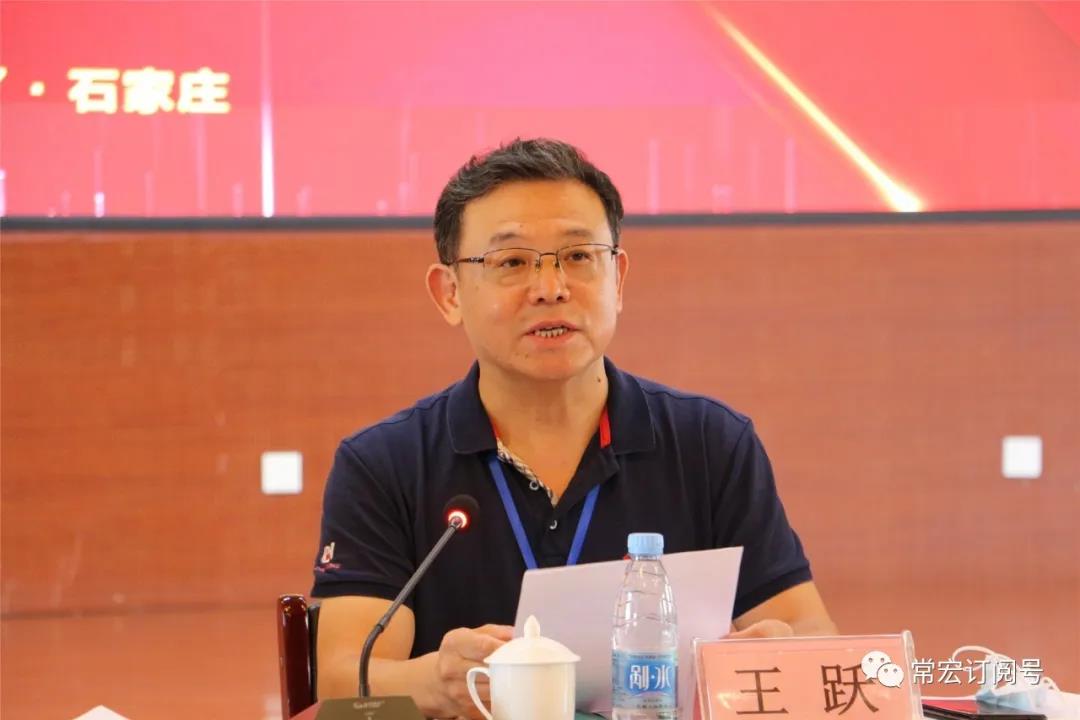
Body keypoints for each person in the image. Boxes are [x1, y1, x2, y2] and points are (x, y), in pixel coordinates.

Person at [311, 138, 837, 717]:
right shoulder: (384, 464)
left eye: (579, 256)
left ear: (619, 277)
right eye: (512, 262)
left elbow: (809, 631)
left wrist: (783, 651)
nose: (551, 287)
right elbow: (341, 680)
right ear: (450, 293)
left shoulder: (712, 445)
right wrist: (436, 682)